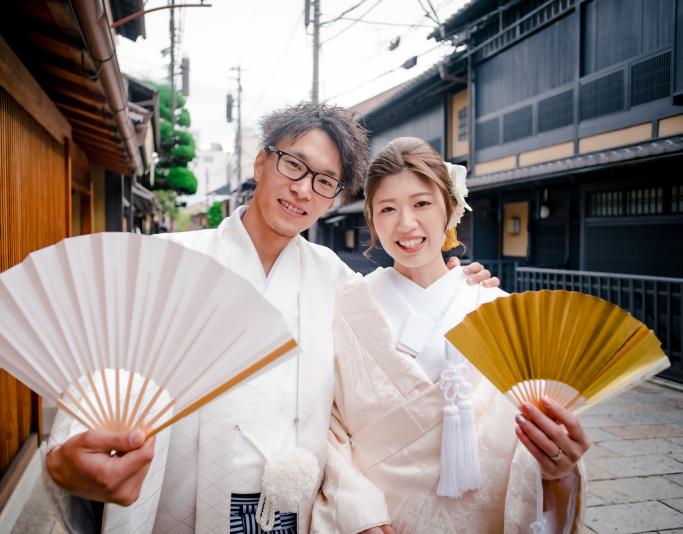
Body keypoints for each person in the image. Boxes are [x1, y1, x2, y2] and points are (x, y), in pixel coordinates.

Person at [41, 104, 499, 534]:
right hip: (183, 504)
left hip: (290, 512)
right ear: (260, 163)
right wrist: (69, 449)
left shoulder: (339, 282)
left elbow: (353, 403)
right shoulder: (170, 259)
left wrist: (458, 284)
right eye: (294, 165)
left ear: (333, 200)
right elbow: (108, 370)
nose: (303, 189)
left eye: (325, 181)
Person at [311, 137, 590, 534]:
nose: (406, 223)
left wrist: (559, 468)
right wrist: (360, 514)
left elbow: (532, 426)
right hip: (382, 520)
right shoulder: (346, 307)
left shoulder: (497, 308)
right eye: (387, 208)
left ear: (451, 209)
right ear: (372, 219)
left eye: (422, 203)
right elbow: (327, 424)